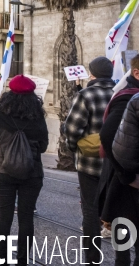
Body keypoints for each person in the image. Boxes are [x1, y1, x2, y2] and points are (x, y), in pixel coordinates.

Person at [0, 75, 49, 265]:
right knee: (26, 217)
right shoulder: (38, 116)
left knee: (4, 215)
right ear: (33, 95)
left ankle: (2, 259)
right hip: (32, 172)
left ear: (10, 93)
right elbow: (44, 146)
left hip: (4, 170)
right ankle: (22, 260)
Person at [65, 56, 115, 264]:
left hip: (90, 164)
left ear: (92, 74)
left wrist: (74, 148)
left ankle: (92, 257)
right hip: (116, 164)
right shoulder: (120, 93)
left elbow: (72, 129)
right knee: (118, 210)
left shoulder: (86, 95)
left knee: (91, 210)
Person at [99, 55, 139, 266]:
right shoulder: (128, 97)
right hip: (126, 181)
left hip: (127, 177)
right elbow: (107, 135)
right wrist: (125, 173)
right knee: (123, 241)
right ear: (136, 73)